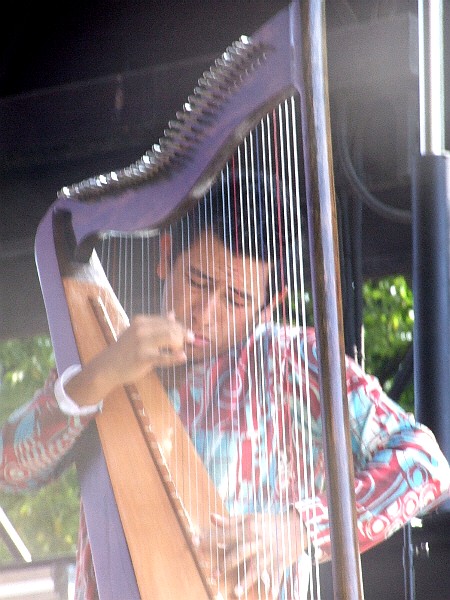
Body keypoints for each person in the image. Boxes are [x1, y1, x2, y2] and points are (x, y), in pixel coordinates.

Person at [1, 177, 449, 600]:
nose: (206, 312)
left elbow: (427, 463)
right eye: (197, 282)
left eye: (235, 299)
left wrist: (298, 529)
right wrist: (100, 375)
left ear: (270, 305)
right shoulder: (111, 351)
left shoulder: (296, 363)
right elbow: (10, 469)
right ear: (164, 255)